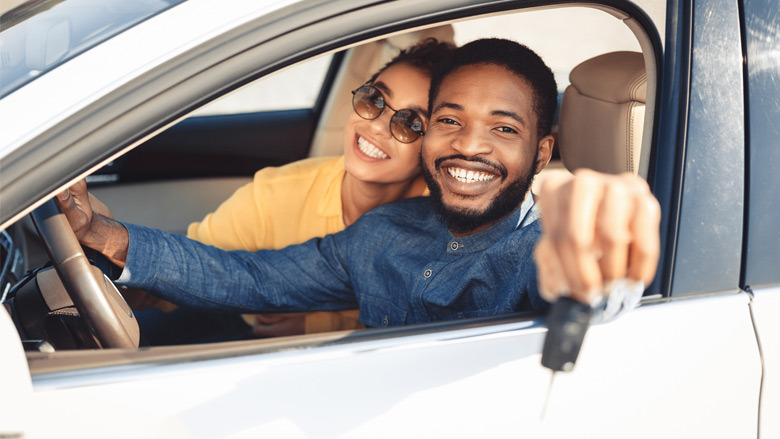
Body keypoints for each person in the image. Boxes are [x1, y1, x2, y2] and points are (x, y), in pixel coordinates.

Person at [57, 38, 661, 328]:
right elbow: (250, 277)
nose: (469, 144)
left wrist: (601, 254)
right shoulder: (379, 235)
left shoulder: (542, 243)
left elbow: (587, 294)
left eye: (503, 129)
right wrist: (105, 234)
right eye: (448, 121)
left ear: (542, 151)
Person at [133, 38, 455, 343]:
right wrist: (112, 258)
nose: (375, 126)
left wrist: (316, 326)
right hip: (243, 326)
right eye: (374, 100)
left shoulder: (448, 229)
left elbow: (436, 331)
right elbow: (187, 267)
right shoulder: (277, 193)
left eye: (410, 123)